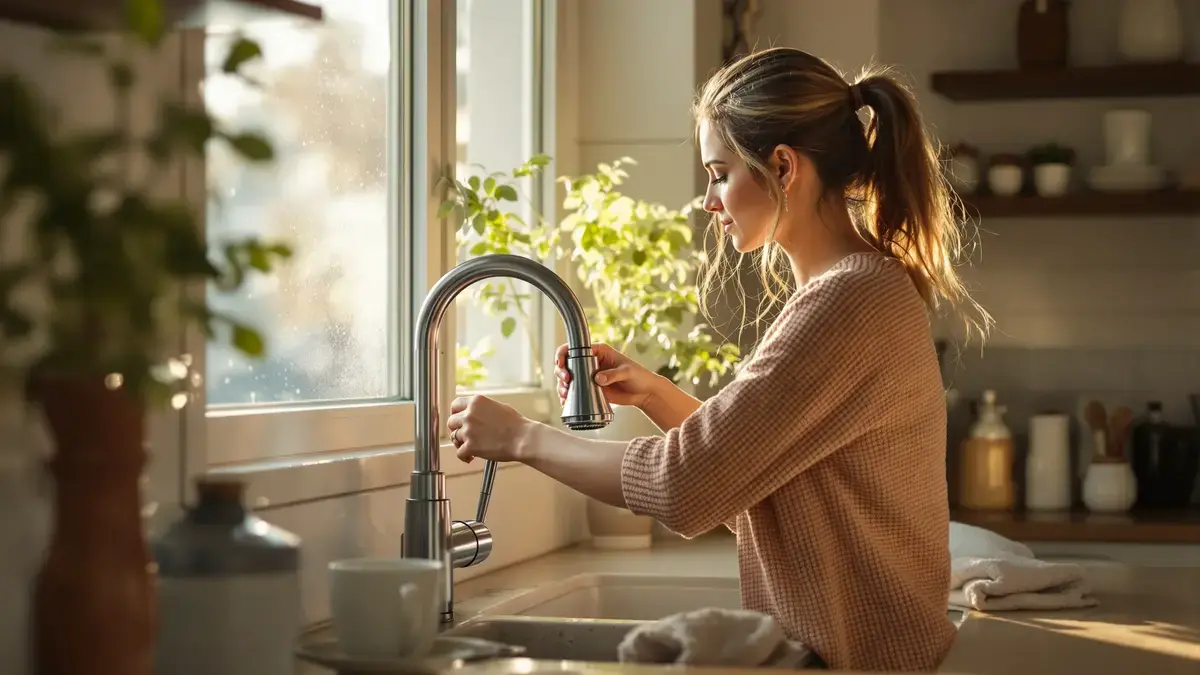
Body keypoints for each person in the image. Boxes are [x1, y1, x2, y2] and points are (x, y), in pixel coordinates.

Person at [444, 47, 990, 672]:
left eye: (719, 172)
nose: (709, 199)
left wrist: (520, 438)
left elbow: (685, 484)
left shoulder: (849, 300)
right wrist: (652, 394)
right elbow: (756, 483)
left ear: (783, 167)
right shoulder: (855, 289)